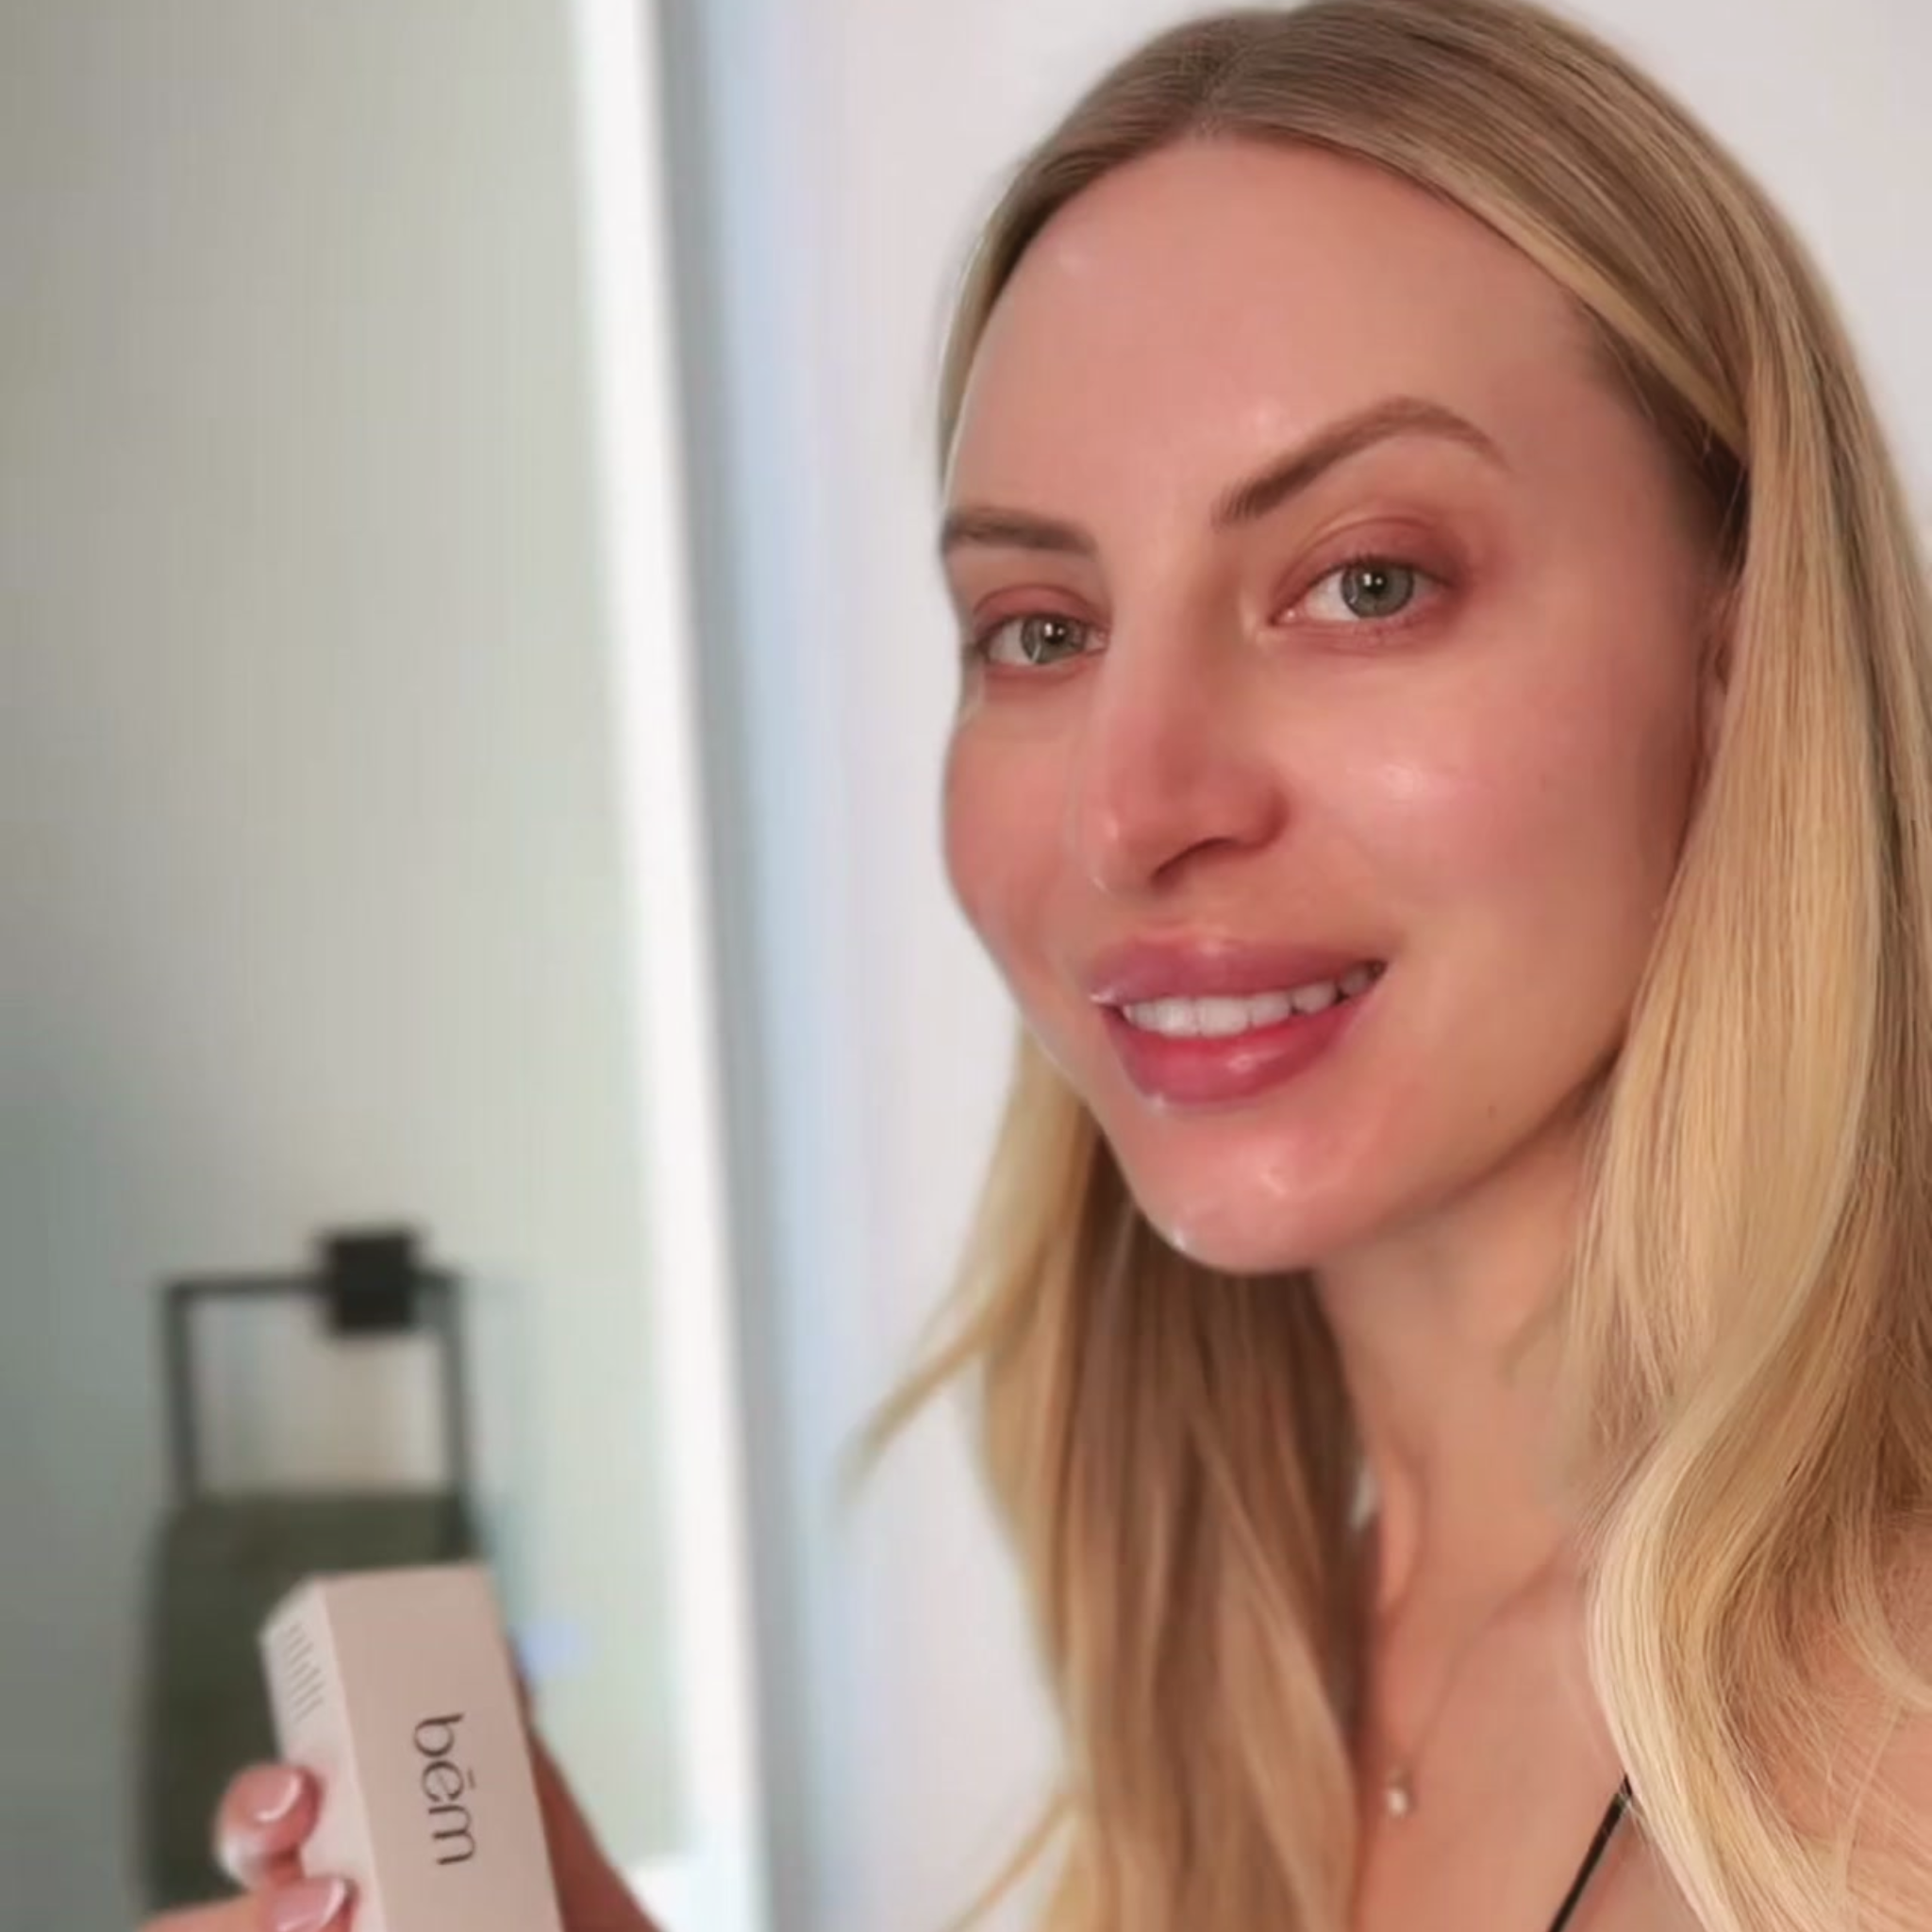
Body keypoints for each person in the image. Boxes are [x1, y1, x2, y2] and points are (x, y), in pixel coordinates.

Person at [149, 0, 1932, 1927]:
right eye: (1040, 627)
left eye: (1366, 580)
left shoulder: (1888, 1727)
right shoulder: (1249, 1672)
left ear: (1744, 661)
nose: (1131, 806)